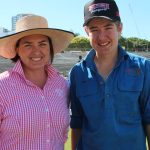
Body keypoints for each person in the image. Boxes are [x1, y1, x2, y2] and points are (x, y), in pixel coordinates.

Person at [69, 0, 150, 149]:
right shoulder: (77, 73)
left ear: (119, 27)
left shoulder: (144, 67)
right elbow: (77, 123)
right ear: (87, 32)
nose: (102, 36)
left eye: (108, 27)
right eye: (94, 29)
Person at [0, 14, 74, 150]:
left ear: (50, 48)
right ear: (17, 49)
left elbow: (62, 136)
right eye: (28, 45)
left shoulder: (62, 85)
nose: (36, 51)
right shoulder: (2, 86)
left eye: (42, 44)